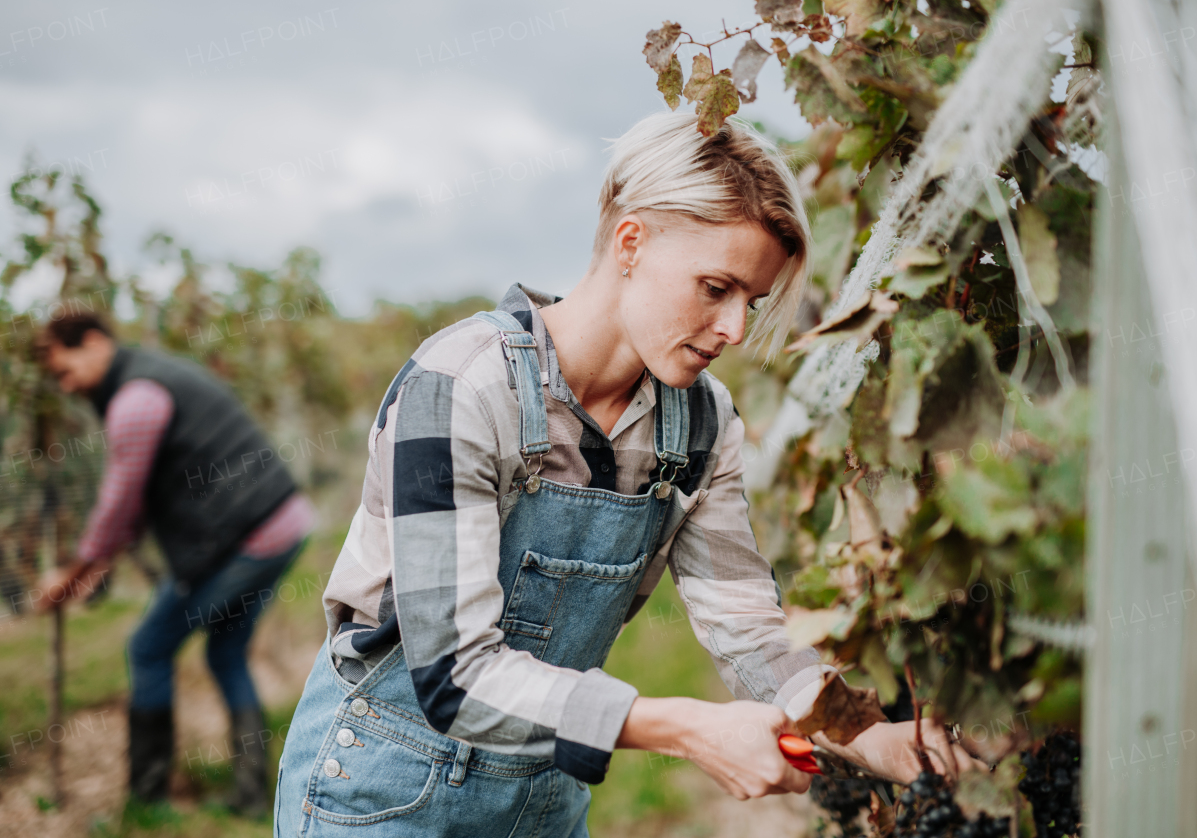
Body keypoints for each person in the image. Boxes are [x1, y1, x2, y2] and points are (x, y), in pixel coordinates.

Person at [274, 112, 973, 837]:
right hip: (386, 791)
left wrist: (865, 734)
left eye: (752, 303)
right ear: (630, 242)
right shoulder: (466, 386)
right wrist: (688, 727)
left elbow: (745, 624)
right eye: (715, 287)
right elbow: (455, 673)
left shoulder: (700, 422)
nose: (735, 328)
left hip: (540, 797)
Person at [35, 312, 314, 816]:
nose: (65, 385)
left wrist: (71, 574)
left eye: (64, 369)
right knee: (225, 654)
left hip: (249, 535)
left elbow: (120, 502)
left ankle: (148, 798)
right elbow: (142, 501)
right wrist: (98, 566)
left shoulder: (135, 399)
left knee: (148, 648)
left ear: (95, 343)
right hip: (278, 523)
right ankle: (255, 796)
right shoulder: (150, 377)